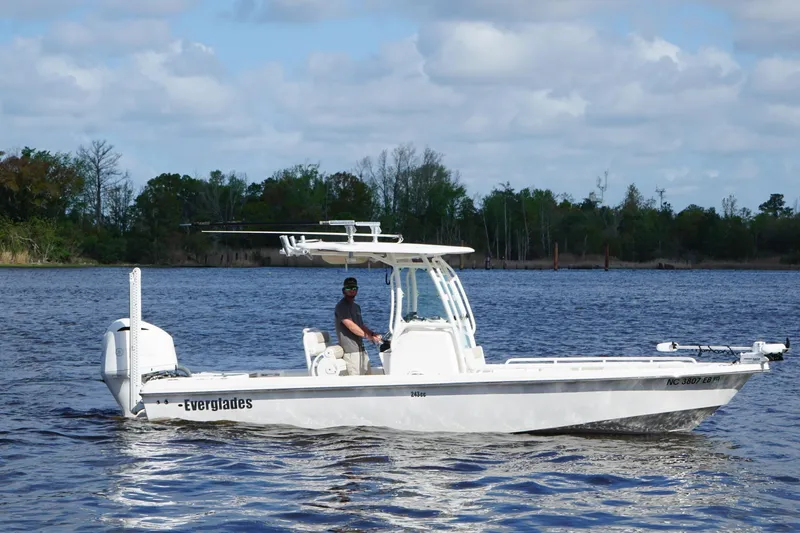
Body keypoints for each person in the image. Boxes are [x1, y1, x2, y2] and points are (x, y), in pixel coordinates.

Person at [334, 276, 382, 375]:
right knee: (356, 381)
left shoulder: (356, 307)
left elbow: (361, 326)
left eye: (354, 288)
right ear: (343, 290)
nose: (351, 290)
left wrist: (373, 334)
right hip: (351, 352)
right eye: (348, 288)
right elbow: (351, 326)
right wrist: (368, 337)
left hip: (361, 349)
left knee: (368, 376)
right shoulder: (341, 306)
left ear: (357, 290)